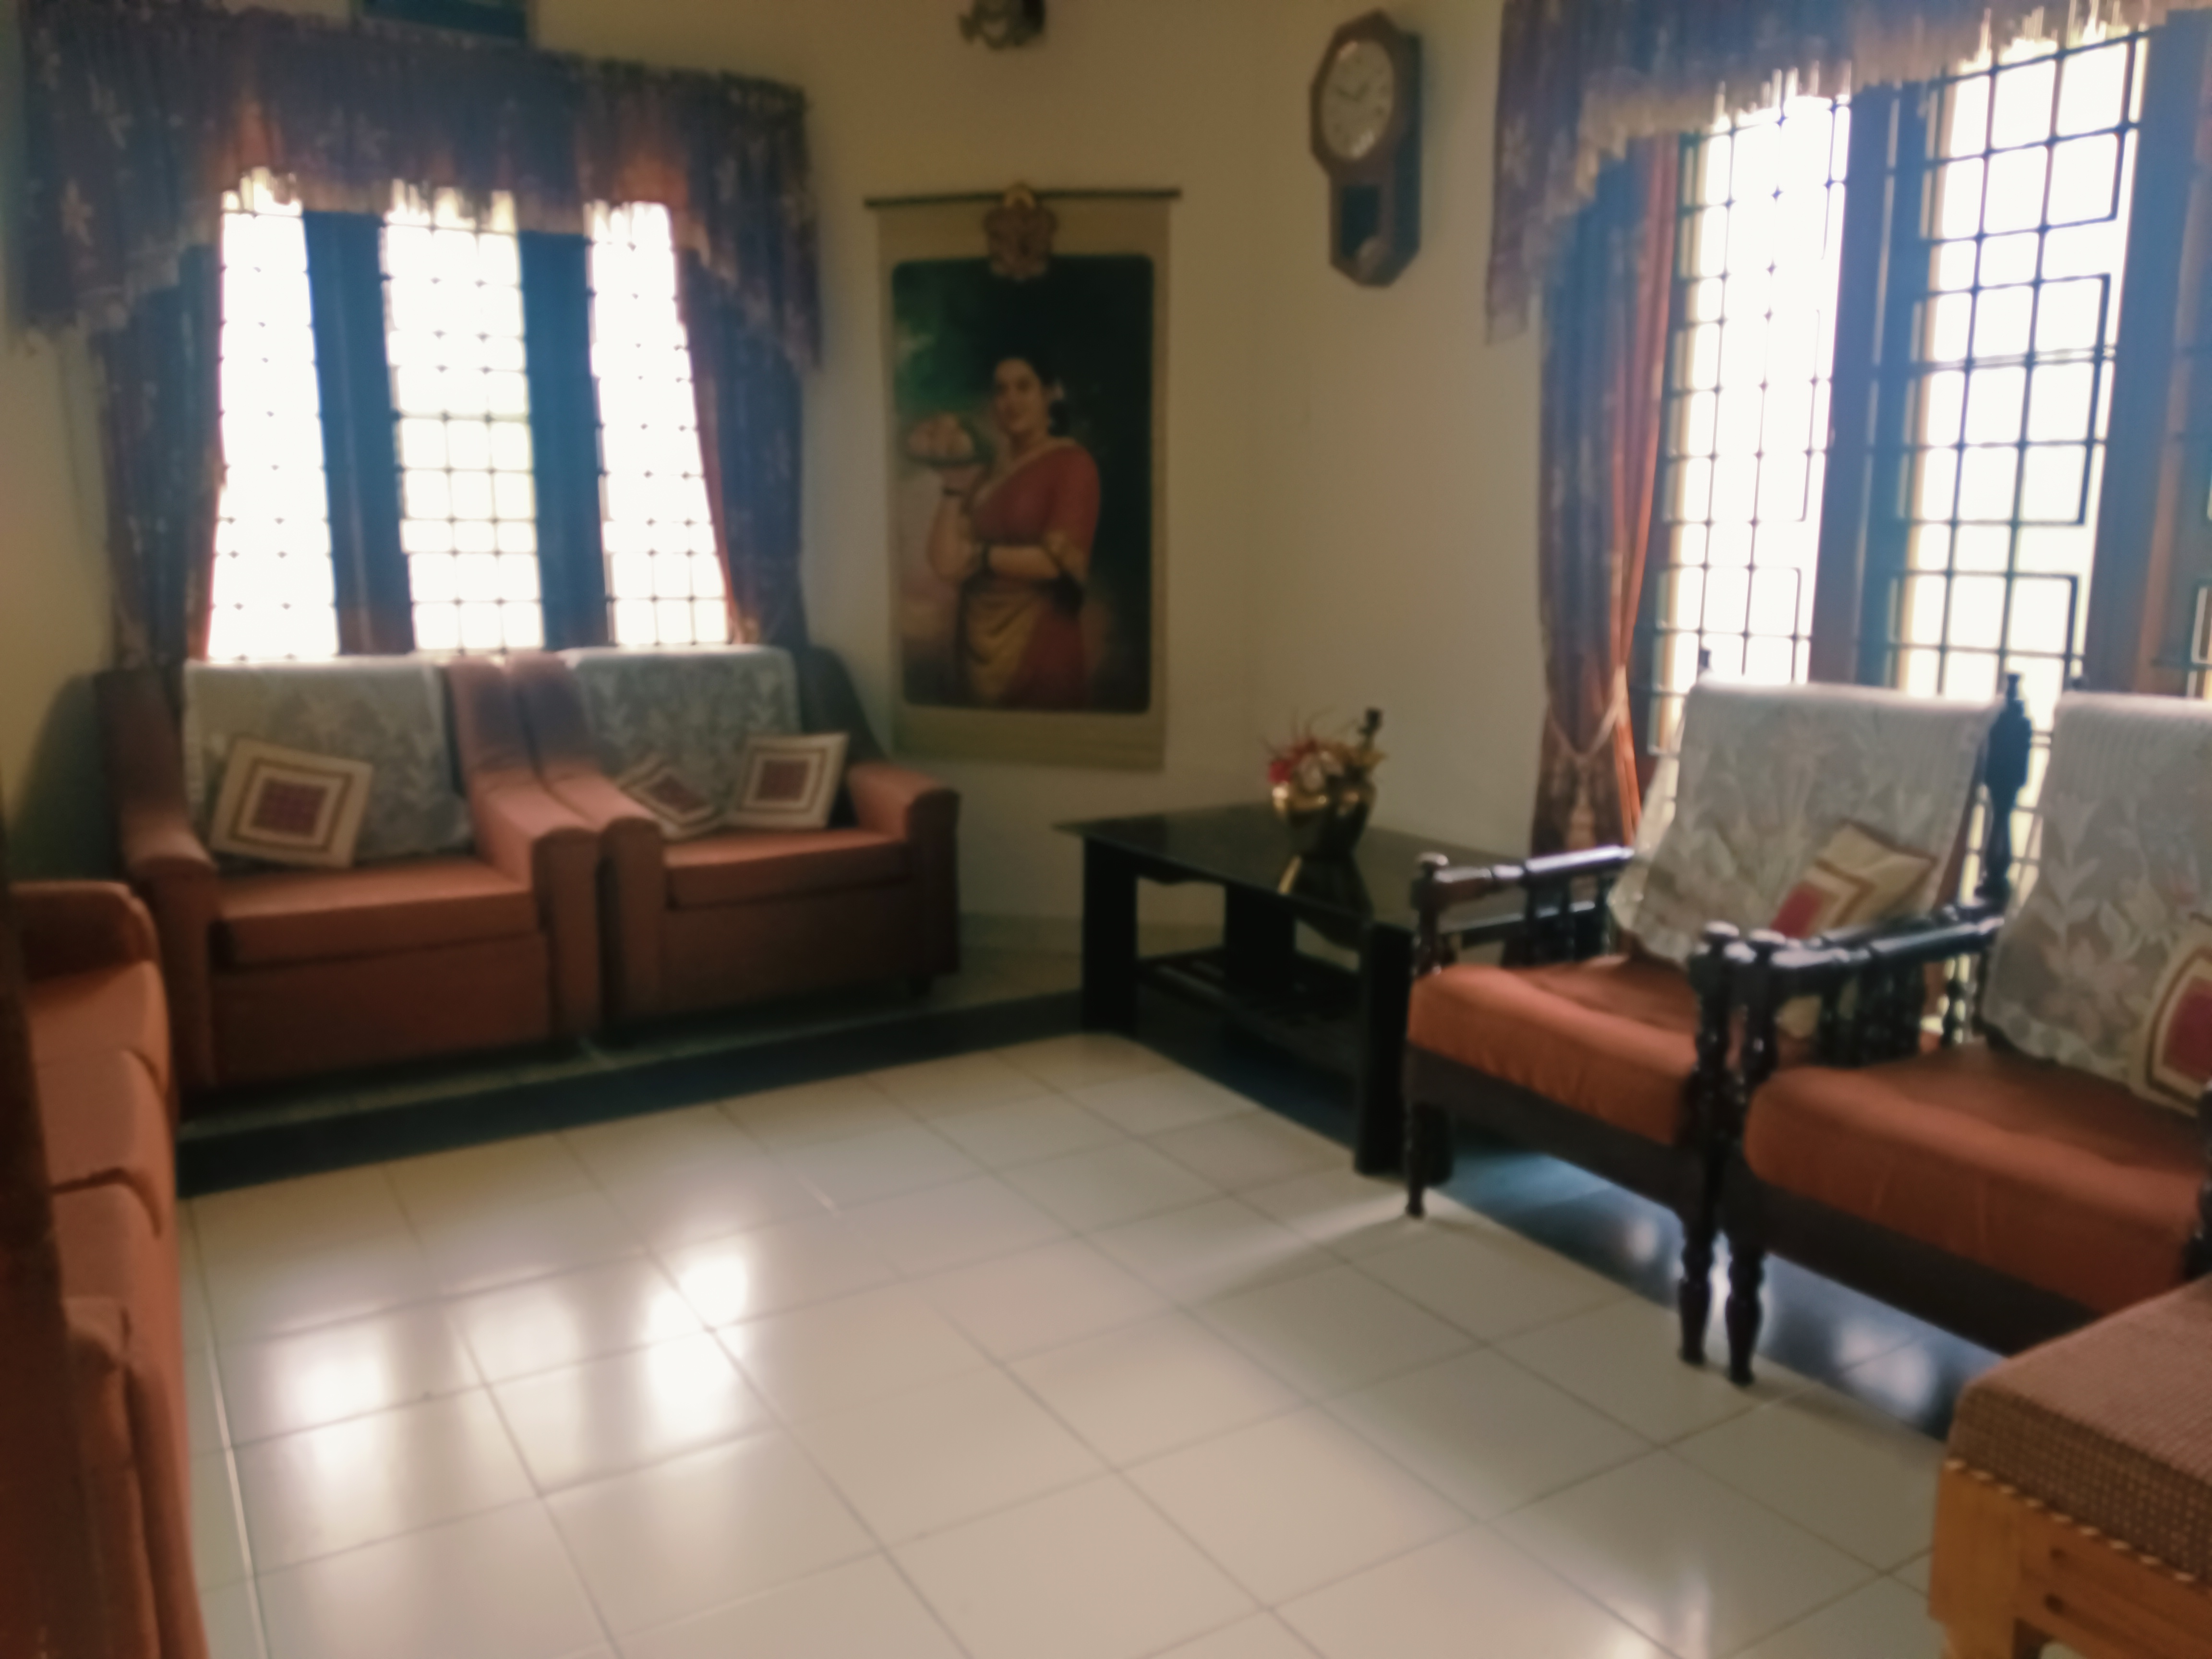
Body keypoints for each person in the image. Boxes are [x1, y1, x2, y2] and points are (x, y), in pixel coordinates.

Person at [916, 349, 1101, 709]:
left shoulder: (1072, 465)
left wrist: (982, 556)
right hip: (974, 643)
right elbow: (945, 564)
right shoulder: (987, 473)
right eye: (1001, 390)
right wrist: (953, 485)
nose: (1010, 401)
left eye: (1023, 387)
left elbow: (1054, 563)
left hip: (1041, 642)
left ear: (1050, 394)